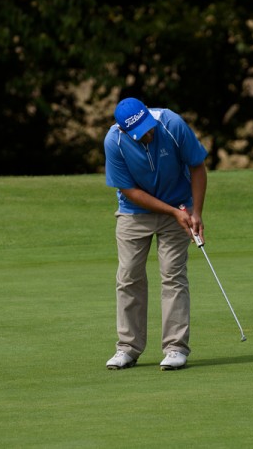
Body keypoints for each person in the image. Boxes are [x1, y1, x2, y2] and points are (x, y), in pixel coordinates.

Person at [103, 97, 208, 371]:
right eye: (141, 133)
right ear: (124, 130)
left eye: (149, 128)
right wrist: (172, 212)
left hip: (179, 206)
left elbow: (197, 165)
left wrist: (196, 212)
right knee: (128, 276)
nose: (148, 135)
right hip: (134, 213)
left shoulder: (172, 123)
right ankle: (127, 348)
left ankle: (175, 348)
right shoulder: (113, 142)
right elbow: (130, 191)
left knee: (173, 275)